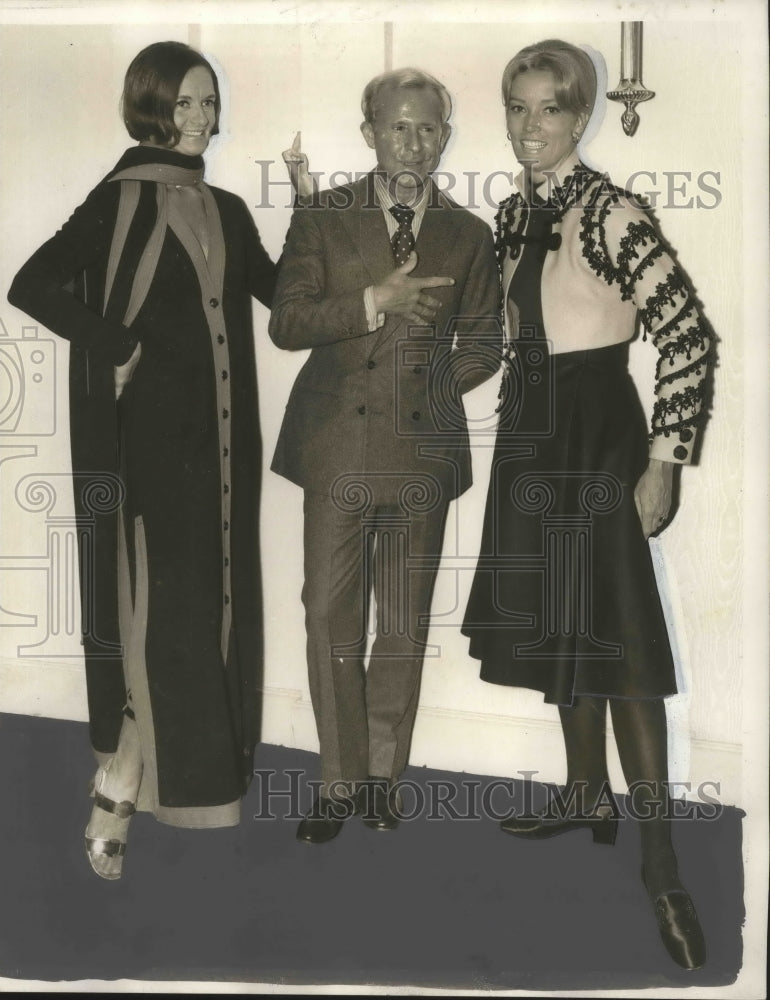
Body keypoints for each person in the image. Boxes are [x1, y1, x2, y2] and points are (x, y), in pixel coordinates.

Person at [461, 40, 711, 969]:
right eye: (519, 109)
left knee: (620, 644)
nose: (533, 127)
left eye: (550, 111)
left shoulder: (613, 211)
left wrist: (664, 461)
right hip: (531, 430)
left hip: (599, 434)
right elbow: (505, 333)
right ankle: (582, 794)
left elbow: (687, 335)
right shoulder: (512, 212)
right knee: (563, 623)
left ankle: (662, 868)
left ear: (581, 116)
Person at [8, 41, 278, 878]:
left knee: (206, 616)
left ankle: (160, 778)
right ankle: (121, 772)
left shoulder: (228, 208)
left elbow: (280, 295)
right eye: (186, 104)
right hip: (154, 448)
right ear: (151, 108)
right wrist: (114, 341)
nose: (200, 119)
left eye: (208, 103)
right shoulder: (118, 200)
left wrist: (320, 216)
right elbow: (33, 283)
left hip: (226, 447)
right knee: (158, 615)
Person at [269, 68, 501, 844]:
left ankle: (380, 778)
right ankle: (335, 782)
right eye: (398, 127)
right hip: (337, 445)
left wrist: (431, 383)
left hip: (420, 450)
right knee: (331, 616)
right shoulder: (323, 217)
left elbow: (486, 342)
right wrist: (375, 303)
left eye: (429, 128)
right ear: (368, 132)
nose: (414, 143)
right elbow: (289, 322)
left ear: (445, 136)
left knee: (401, 623)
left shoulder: (469, 234)